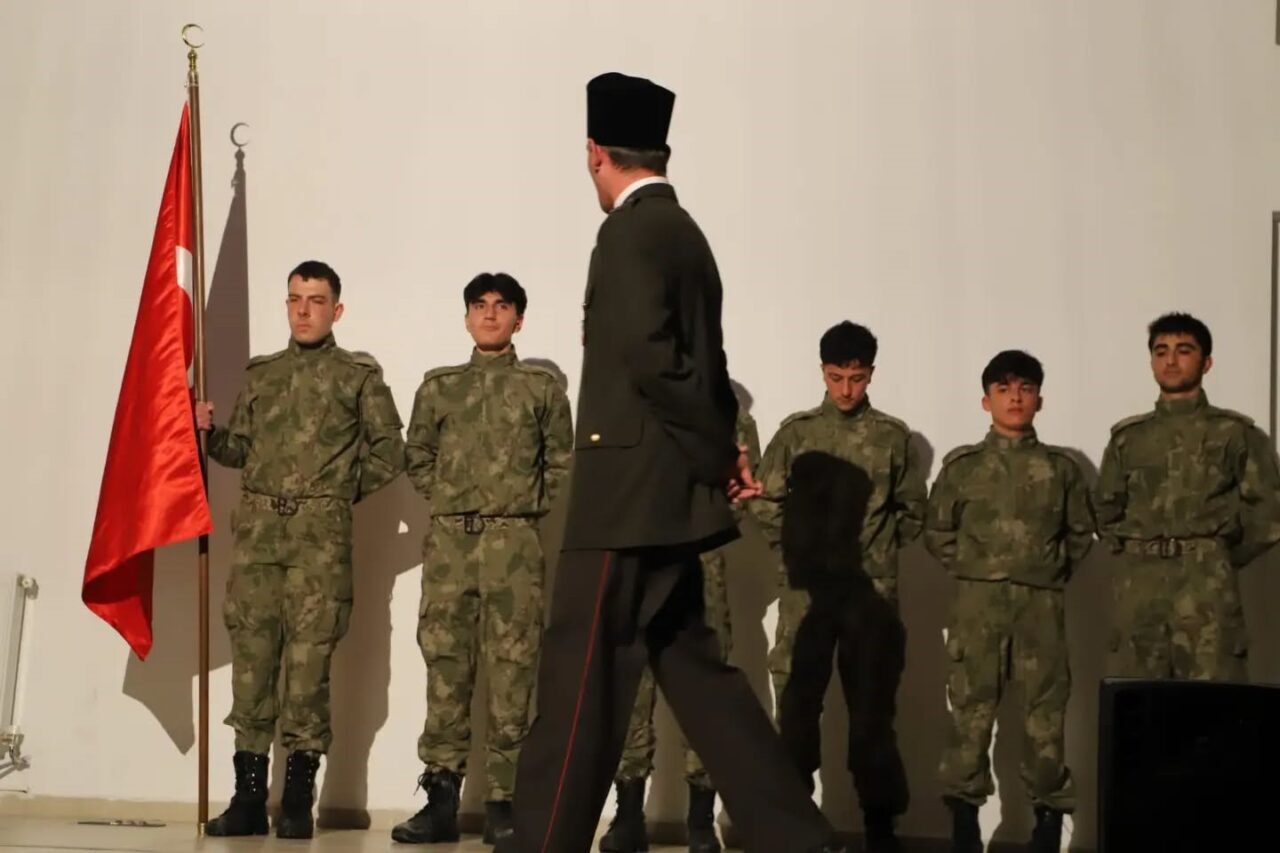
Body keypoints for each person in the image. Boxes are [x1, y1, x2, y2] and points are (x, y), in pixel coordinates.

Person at [500, 72, 844, 853]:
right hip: (668, 493)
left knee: (578, 676)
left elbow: (652, 358)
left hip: (622, 497)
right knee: (696, 673)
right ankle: (798, 837)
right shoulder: (685, 231)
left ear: (594, 152)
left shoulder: (626, 233)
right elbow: (704, 363)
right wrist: (718, 452)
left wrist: (717, 451)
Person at [195, 260, 405, 839]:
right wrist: (208, 432)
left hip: (319, 547)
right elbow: (240, 450)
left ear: (337, 309)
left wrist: (335, 495)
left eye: (315, 300)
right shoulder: (262, 375)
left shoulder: (357, 376)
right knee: (252, 667)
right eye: (295, 299)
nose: (304, 310)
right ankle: (247, 798)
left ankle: (295, 801)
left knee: (309, 672)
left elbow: (390, 451)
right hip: (258, 542)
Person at [393, 272, 573, 846]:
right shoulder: (439, 388)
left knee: (513, 672)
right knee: (445, 667)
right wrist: (450, 502)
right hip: (450, 545)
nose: (490, 315)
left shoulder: (542, 389)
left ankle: (505, 803)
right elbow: (417, 455)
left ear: (519, 319)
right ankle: (441, 801)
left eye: (502, 306)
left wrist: (519, 509)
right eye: (479, 305)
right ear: (467, 316)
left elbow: (561, 463)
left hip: (514, 545)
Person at [750, 321, 926, 853]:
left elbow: (913, 512)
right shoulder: (796, 434)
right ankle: (796, 827)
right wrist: (798, 553)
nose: (847, 389)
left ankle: (880, 829)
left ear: (871, 373)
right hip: (805, 596)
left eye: (857, 377)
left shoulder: (892, 437)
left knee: (872, 711)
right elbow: (764, 503)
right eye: (836, 377)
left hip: (869, 597)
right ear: (822, 373)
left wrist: (874, 556)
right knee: (797, 709)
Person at [924, 350, 1094, 853]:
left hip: (1041, 610)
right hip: (976, 609)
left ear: (1040, 399)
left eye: (1025, 388)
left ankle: (1047, 824)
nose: (1015, 397)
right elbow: (937, 532)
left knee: (1046, 720)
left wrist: (1043, 573)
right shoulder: (963, 467)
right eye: (1003, 389)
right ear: (986, 400)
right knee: (970, 718)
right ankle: (964, 827)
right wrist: (979, 570)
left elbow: (1079, 534)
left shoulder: (1061, 469)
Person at [600, 402, 761, 853]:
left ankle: (700, 820)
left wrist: (697, 522)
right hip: (638, 555)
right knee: (632, 685)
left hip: (702, 558)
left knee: (704, 686)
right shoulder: (627, 407)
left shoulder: (728, 416)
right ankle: (628, 815)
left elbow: (741, 495)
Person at [1095, 312, 1280, 681]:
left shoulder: (1234, 433)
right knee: (1137, 698)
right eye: (1161, 351)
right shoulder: (1128, 438)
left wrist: (1218, 553)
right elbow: (1104, 508)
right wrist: (1135, 551)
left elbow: (1269, 511)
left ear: (1206, 362)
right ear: (1151, 362)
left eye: (1183, 350)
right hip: (1140, 587)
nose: (1171, 360)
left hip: (1207, 588)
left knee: (1213, 697)